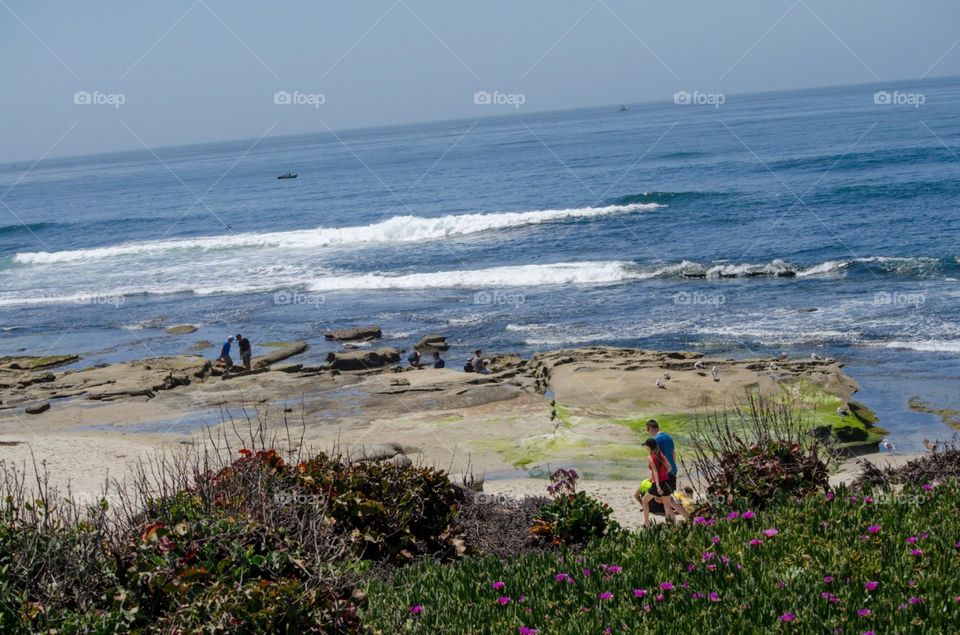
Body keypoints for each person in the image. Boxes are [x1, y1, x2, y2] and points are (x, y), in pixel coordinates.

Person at [638, 438, 689, 527]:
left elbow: (655, 472)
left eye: (646, 446)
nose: (646, 448)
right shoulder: (660, 454)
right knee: (667, 505)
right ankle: (674, 524)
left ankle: (647, 523)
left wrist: (657, 485)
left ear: (649, 447)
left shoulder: (650, 457)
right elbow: (669, 467)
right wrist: (663, 475)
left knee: (644, 501)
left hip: (657, 484)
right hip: (666, 482)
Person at [646, 419, 679, 493]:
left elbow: (655, 459)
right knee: (669, 494)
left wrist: (652, 476)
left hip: (664, 472)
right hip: (673, 469)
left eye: (647, 429)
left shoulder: (656, 440)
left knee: (661, 495)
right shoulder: (669, 437)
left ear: (651, 427)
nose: (647, 431)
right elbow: (673, 453)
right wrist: (673, 466)